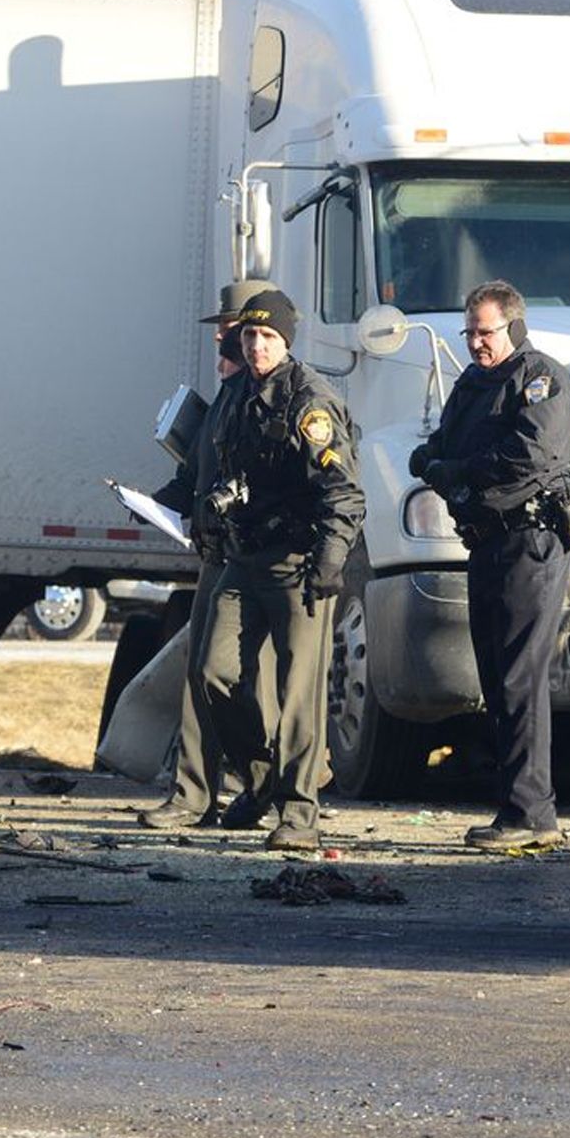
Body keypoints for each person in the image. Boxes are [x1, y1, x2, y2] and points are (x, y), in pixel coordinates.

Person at [409, 280, 570, 851]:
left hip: (528, 542)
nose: (477, 342)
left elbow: (530, 455)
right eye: (471, 332)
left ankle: (532, 814)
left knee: (518, 677)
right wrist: (435, 461)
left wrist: (456, 471)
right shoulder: (474, 382)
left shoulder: (540, 378)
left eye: (485, 332)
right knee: (496, 678)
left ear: (513, 325)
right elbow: (441, 443)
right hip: (486, 543)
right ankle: (519, 809)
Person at [197, 288, 365, 851]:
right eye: (249, 335)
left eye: (268, 336)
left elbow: (343, 492)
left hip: (299, 562)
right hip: (245, 558)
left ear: (286, 341)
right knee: (215, 671)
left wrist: (331, 559)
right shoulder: (236, 393)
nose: (257, 346)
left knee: (299, 693)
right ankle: (262, 780)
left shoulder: (309, 401)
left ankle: (298, 813)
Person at [136, 279, 275, 829]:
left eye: (231, 326)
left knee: (239, 680)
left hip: (249, 557)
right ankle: (197, 792)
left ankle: (259, 786)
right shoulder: (229, 395)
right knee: (203, 674)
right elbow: (196, 472)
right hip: (218, 551)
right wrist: (155, 503)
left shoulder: (262, 395)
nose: (222, 336)